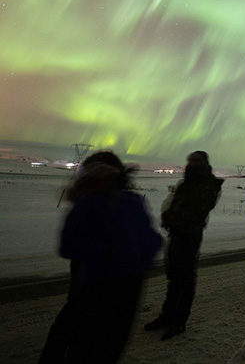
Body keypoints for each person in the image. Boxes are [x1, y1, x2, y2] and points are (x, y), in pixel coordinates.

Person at [39, 150, 162, 363]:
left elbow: (152, 241)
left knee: (90, 340)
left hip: (113, 287)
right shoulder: (113, 203)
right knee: (88, 338)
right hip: (106, 285)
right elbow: (69, 245)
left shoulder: (123, 203)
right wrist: (117, 256)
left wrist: (129, 259)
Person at [144, 151, 222, 340]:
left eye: (195, 162)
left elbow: (196, 211)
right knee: (174, 277)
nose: (190, 165)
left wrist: (172, 216)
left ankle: (179, 322)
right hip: (177, 234)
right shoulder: (187, 183)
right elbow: (175, 204)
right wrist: (170, 217)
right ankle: (167, 315)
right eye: (190, 162)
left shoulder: (207, 185)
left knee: (185, 280)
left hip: (190, 236)